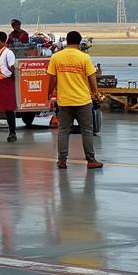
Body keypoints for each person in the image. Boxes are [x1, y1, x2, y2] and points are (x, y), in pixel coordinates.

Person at [48, 31, 103, 170]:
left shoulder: (56, 57)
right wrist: (95, 93)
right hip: (82, 101)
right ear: (79, 42)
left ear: (66, 41)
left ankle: (61, 160)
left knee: (63, 131)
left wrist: (49, 94)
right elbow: (91, 77)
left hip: (64, 101)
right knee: (87, 131)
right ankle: (91, 160)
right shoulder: (84, 57)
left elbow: (52, 78)